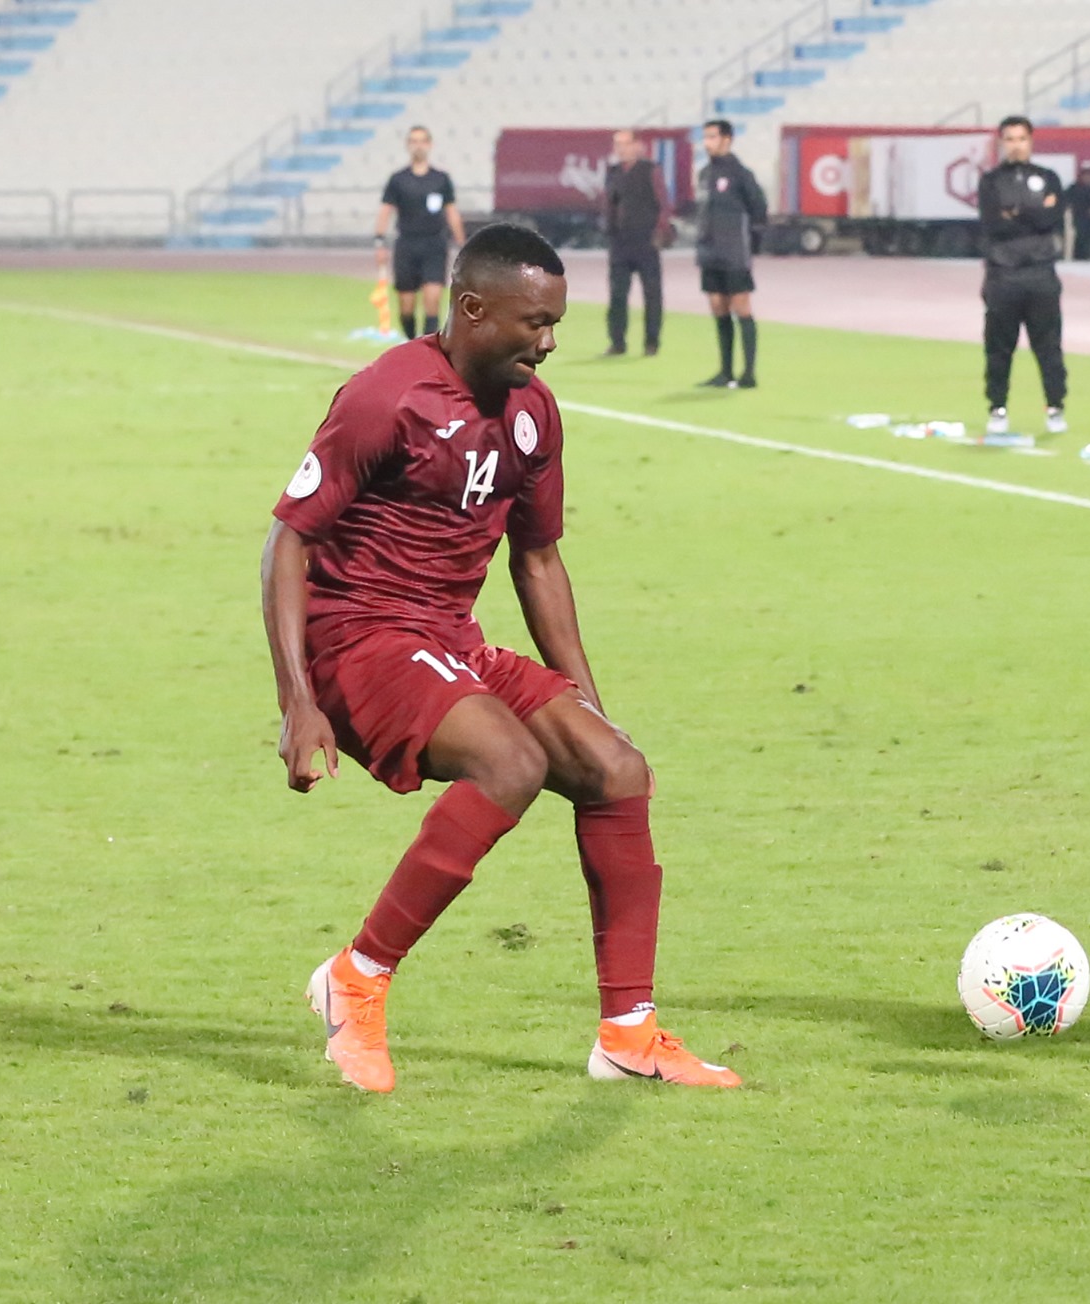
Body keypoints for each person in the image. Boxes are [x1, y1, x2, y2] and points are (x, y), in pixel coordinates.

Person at [263, 223, 740, 1093]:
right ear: (473, 308)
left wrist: (587, 701)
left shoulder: (533, 412)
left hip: (450, 638)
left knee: (617, 769)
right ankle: (356, 978)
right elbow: (287, 542)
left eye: (555, 323)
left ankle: (628, 1035)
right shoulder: (387, 396)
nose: (548, 343)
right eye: (534, 323)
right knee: (510, 763)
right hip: (358, 638)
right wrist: (297, 701)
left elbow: (539, 561)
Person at [977, 114, 1068, 438]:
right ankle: (997, 408)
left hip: (1041, 273)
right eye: (1010, 139)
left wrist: (1016, 212)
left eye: (1022, 139)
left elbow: (1051, 219)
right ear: (1002, 143)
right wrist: (1035, 210)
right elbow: (994, 224)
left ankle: (1055, 407)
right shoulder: (990, 182)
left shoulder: (1048, 178)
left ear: (1031, 141)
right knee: (999, 348)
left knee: (1049, 346)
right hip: (1003, 275)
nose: (1016, 145)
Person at [695, 118, 769, 389]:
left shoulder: (740, 174)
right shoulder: (704, 174)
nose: (707, 143)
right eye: (705, 137)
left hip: (734, 252)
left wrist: (751, 241)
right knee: (717, 306)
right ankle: (725, 372)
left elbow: (759, 208)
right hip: (709, 251)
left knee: (741, 306)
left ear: (727, 139)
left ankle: (748, 373)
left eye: (712, 137)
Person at [375, 125, 466, 340]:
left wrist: (463, 245)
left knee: (432, 300)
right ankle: (411, 341)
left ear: (430, 145)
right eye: (414, 141)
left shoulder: (441, 179)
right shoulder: (398, 179)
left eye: (422, 141)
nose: (418, 146)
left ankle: (426, 348)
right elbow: (386, 211)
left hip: (434, 244)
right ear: (408, 145)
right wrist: (380, 242)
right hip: (407, 245)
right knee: (406, 306)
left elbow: (451, 212)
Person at [602, 129, 668, 357]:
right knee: (617, 295)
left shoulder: (650, 170)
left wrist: (660, 231)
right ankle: (617, 342)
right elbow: (609, 205)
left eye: (625, 144)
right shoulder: (613, 172)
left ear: (638, 146)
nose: (620, 149)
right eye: (617, 144)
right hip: (620, 242)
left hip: (646, 241)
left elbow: (663, 203)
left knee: (652, 294)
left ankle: (651, 342)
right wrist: (609, 230)